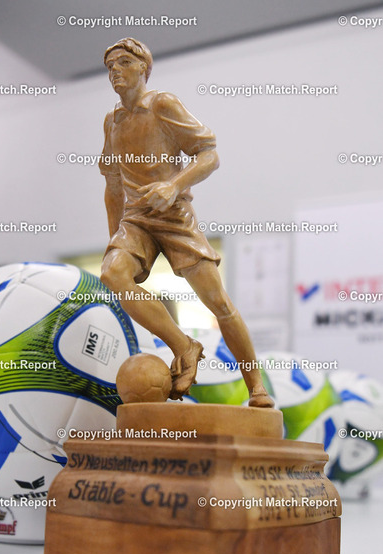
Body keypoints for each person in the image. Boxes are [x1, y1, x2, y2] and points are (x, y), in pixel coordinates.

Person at [99, 37, 273, 407]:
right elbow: (113, 186)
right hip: (137, 222)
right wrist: (116, 239)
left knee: (218, 302)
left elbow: (209, 155)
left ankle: (257, 388)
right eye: (110, 65)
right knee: (113, 273)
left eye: (124, 62)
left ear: (144, 67)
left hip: (174, 216)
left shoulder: (162, 104)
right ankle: (184, 345)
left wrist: (173, 186)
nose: (115, 70)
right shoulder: (111, 122)